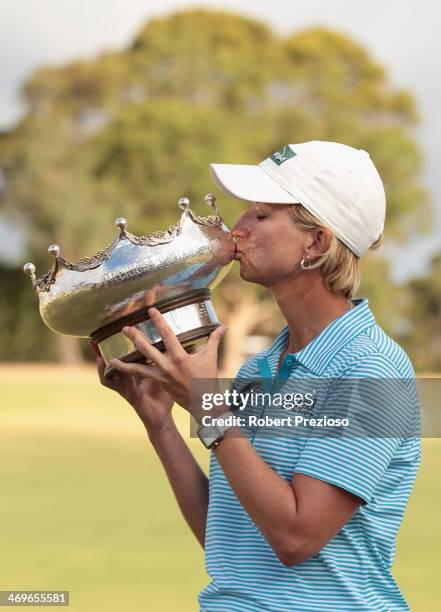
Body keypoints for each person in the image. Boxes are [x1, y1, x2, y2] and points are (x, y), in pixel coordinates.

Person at [90, 141, 421, 611]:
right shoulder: (259, 369)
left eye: (262, 216)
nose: (237, 229)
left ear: (317, 243)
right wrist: (160, 424)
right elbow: (230, 538)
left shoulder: (370, 369)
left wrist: (208, 405)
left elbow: (295, 536)